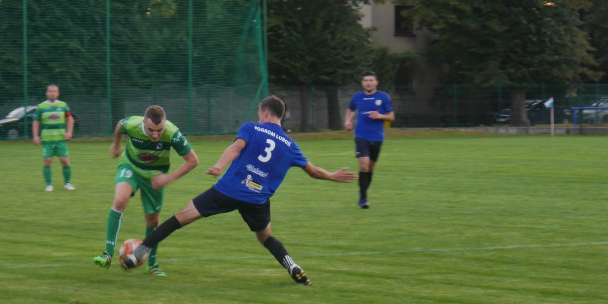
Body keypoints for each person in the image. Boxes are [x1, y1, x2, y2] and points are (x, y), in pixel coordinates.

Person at [121, 95, 356, 285]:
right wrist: (333, 176)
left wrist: (218, 166)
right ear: (281, 117)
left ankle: (138, 253)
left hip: (228, 190)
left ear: (264, 113)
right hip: (258, 199)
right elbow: (313, 171)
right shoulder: (291, 145)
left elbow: (236, 148)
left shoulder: (252, 128)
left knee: (179, 218)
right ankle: (291, 265)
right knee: (266, 237)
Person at [92, 105, 199, 276]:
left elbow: (193, 161)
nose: (156, 135)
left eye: (159, 130)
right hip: (131, 166)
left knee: (152, 221)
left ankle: (152, 264)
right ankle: (107, 254)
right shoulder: (133, 124)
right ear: (143, 123)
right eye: (151, 130)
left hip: (155, 177)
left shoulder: (172, 133)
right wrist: (116, 144)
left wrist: (168, 178)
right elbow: (120, 125)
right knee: (120, 201)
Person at [344, 71, 394, 208]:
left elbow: (391, 116)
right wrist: (347, 121)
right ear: (362, 83)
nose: (368, 82)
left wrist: (380, 117)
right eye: (366, 80)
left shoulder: (383, 97)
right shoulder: (357, 97)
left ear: (376, 82)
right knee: (364, 165)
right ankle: (363, 198)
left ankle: (364, 192)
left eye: (371, 80)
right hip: (361, 135)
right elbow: (350, 109)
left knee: (370, 168)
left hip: (377, 137)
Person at [32, 84, 75, 191]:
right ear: (47, 93)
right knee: (47, 161)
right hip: (47, 139)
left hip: (60, 139)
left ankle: (68, 183)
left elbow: (70, 119)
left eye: (54, 91)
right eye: (50, 91)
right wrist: (36, 136)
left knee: (65, 161)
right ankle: (49, 185)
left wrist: (69, 132)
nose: (52, 93)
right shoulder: (41, 107)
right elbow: (36, 122)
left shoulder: (63, 105)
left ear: (58, 93)